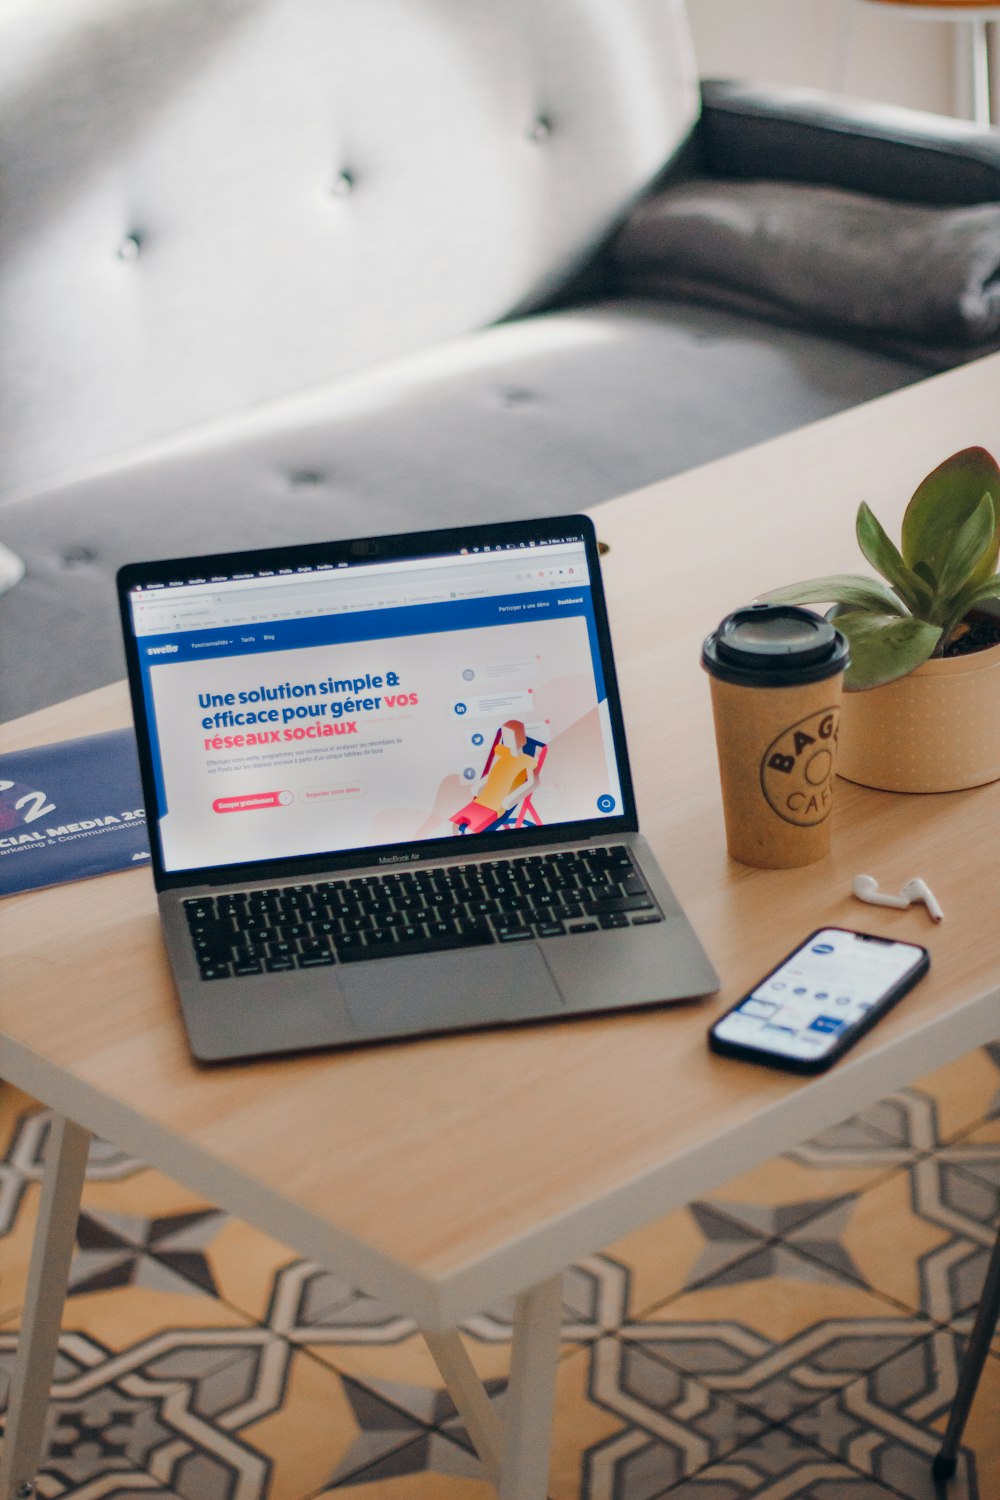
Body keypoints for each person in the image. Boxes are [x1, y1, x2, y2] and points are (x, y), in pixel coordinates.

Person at [450, 719, 539, 834]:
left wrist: (511, 799)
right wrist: (479, 785)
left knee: (475, 830)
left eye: (509, 737)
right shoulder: (504, 755)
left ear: (519, 738)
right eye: (505, 736)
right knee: (455, 824)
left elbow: (533, 783)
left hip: (499, 805)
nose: (506, 740)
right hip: (484, 799)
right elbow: (494, 774)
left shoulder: (526, 760)